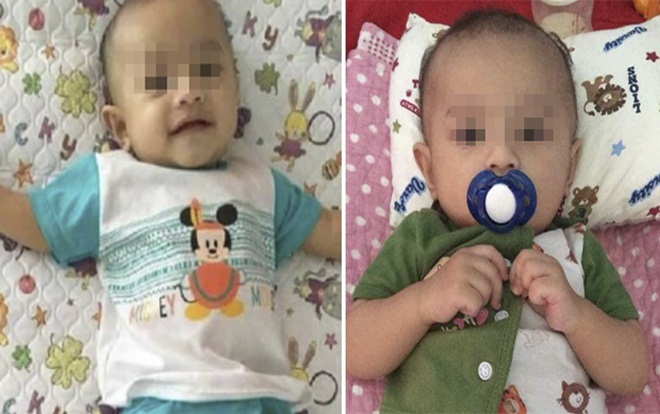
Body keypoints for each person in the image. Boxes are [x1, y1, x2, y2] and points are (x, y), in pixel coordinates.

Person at [0, 0, 341, 412]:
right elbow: (34, 219)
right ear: (121, 127)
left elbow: (330, 230)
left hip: (263, 398)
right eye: (159, 81)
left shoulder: (261, 185)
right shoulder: (113, 184)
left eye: (207, 71)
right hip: (160, 398)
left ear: (236, 90)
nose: (189, 92)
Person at [346, 10, 649, 413]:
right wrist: (423, 302)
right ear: (429, 170)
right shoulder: (422, 238)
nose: (502, 155)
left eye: (531, 132)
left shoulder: (576, 248)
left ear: (569, 167)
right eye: (470, 133)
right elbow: (356, 350)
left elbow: (633, 373)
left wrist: (576, 316)